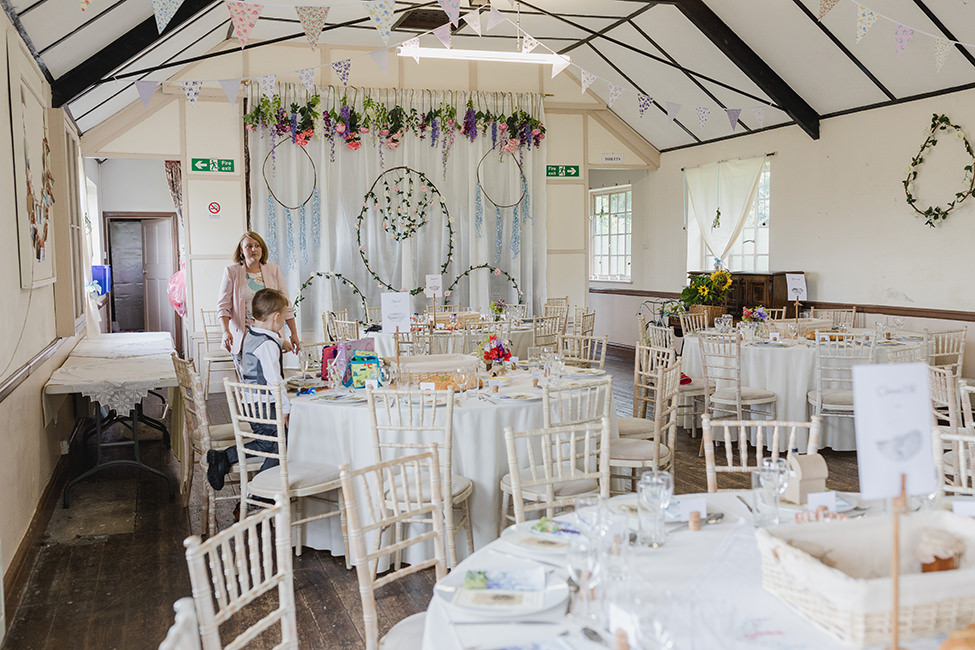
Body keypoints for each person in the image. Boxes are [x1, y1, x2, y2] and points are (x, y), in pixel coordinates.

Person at [207, 288, 291, 491]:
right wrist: (286, 409)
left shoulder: (250, 335)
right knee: (283, 443)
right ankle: (261, 492)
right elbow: (274, 381)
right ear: (276, 317)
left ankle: (224, 456)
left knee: (267, 444)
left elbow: (264, 341)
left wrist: (280, 342)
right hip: (266, 407)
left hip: (251, 406)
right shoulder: (268, 345)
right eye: (283, 320)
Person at [216, 231, 300, 363]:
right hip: (243, 338)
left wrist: (294, 333)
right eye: (249, 246)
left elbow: (286, 305)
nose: (254, 249)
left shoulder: (274, 270)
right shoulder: (231, 272)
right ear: (241, 251)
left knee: (271, 378)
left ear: (262, 249)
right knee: (249, 380)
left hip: (270, 337)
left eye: (257, 245)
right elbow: (223, 306)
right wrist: (226, 331)